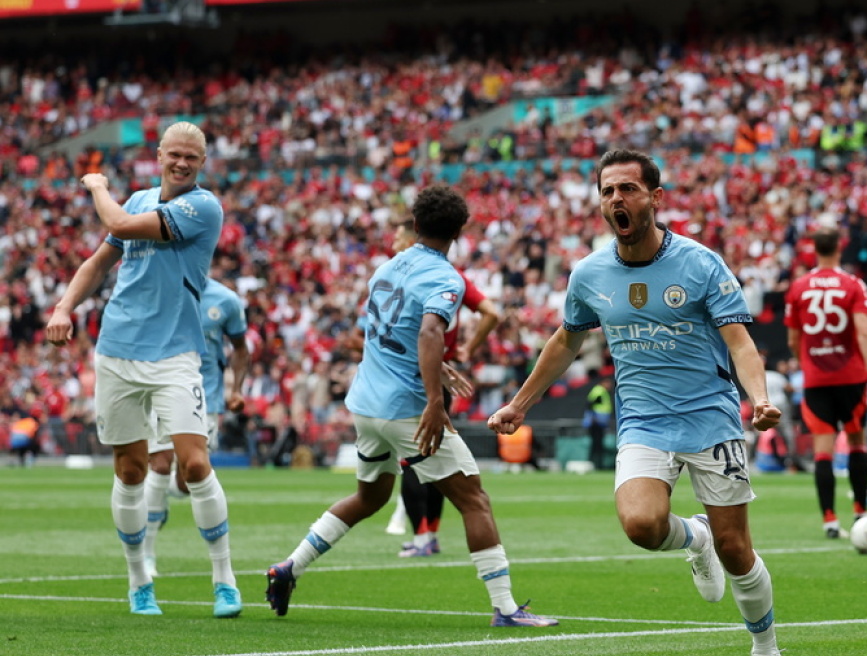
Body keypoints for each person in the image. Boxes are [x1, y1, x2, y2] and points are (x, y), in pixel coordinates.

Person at [489, 149, 783, 656]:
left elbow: (739, 342)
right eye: (607, 191)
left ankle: (766, 647)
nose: (616, 199)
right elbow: (565, 340)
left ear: (655, 197)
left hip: (710, 418)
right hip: (644, 422)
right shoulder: (589, 274)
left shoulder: (701, 263)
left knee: (737, 549)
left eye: (627, 188)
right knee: (641, 525)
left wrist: (758, 398)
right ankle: (695, 539)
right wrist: (520, 404)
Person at [265, 186, 557, 628]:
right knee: (475, 500)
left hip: (365, 404)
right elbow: (427, 333)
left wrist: (437, 370)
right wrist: (436, 402)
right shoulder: (447, 279)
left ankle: (288, 568)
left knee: (370, 497)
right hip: (406, 408)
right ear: (460, 232)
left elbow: (392, 337)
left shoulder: (384, 270)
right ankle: (505, 608)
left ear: (415, 225)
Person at [44, 121, 242, 617]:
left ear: (201, 163)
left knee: (194, 463)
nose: (181, 163)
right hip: (117, 350)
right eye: (174, 154)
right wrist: (64, 307)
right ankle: (139, 582)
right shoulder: (137, 199)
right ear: (158, 155)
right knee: (130, 470)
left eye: (190, 158)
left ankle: (224, 579)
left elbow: (120, 227)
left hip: (176, 353)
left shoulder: (203, 206)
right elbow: (96, 263)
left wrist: (97, 186)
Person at [380, 219, 501, 558]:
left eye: (399, 236)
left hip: (417, 378)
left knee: (414, 460)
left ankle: (422, 538)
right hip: (441, 378)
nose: (394, 242)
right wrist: (466, 349)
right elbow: (491, 313)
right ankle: (428, 535)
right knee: (435, 460)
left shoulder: (410, 276)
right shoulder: (454, 276)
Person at [141, 277, 250, 577]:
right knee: (159, 465)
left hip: (205, 397)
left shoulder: (225, 300)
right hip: (160, 388)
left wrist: (236, 389)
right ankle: (147, 554)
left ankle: (159, 503)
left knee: (189, 476)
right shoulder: (159, 288)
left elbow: (241, 348)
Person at [784, 227, 867, 539]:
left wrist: (807, 360)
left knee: (823, 451)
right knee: (856, 443)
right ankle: (861, 513)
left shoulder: (799, 287)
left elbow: (794, 338)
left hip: (816, 379)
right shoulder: (853, 284)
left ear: (814, 250)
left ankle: (829, 519)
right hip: (851, 377)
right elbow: (864, 331)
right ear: (839, 248)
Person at [583, 375, 614, 470]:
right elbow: (590, 404)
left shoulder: (602, 392)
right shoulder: (599, 391)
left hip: (600, 422)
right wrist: (593, 418)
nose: (610, 385)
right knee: (596, 444)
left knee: (598, 443)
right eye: (608, 383)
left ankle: (597, 464)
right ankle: (596, 464)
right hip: (596, 422)